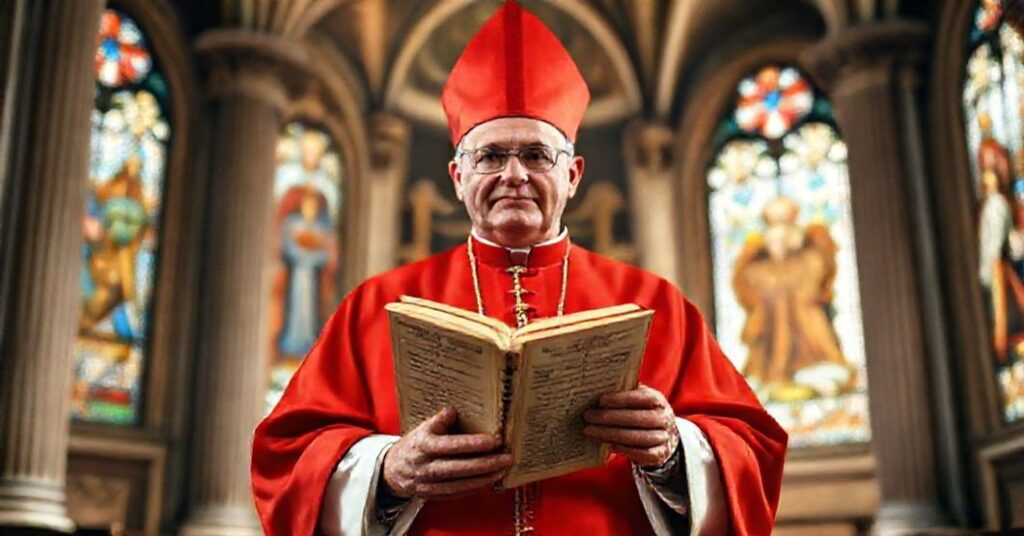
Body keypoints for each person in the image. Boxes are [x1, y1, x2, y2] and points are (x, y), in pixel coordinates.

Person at [251, 2, 787, 535]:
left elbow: (753, 449)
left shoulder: (654, 304)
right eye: (489, 156)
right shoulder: (377, 305)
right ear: (458, 177)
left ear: (573, 175)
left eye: (536, 155)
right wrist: (388, 470)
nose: (513, 175)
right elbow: (287, 455)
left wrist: (674, 451)